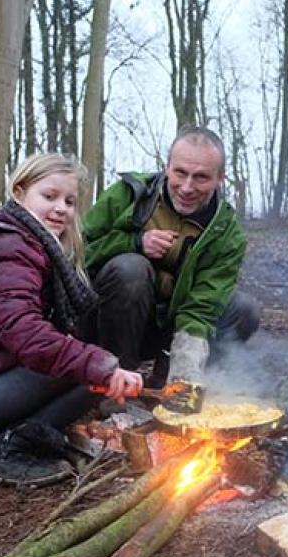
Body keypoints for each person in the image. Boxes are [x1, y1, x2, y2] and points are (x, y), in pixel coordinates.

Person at [0, 153, 143, 486]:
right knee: (87, 372)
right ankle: (5, 450)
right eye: (49, 196)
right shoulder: (12, 247)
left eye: (69, 201)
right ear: (20, 191)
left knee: (86, 369)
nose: (62, 208)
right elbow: (26, 336)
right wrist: (103, 366)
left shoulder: (28, 243)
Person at [82, 126, 259, 386]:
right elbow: (77, 254)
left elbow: (203, 306)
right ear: (167, 167)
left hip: (169, 328)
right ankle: (117, 380)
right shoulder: (130, 194)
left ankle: (177, 383)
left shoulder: (227, 234)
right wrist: (134, 242)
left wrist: (185, 369)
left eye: (201, 177)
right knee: (130, 268)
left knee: (244, 309)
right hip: (107, 323)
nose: (187, 187)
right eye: (180, 173)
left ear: (220, 178)